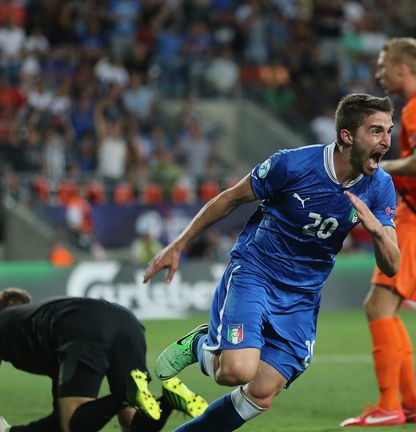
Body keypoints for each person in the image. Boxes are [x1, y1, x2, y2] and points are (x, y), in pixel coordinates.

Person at [142, 93, 401, 431]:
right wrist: (179, 243)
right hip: (256, 273)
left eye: (389, 131)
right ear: (347, 136)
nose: (387, 141)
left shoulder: (380, 187)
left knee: (261, 393)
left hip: (302, 296)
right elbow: (230, 198)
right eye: (377, 131)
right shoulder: (292, 165)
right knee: (235, 371)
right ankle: (201, 344)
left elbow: (393, 265)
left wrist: (378, 232)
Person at [341, 37, 416, 427]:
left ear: (401, 69)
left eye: (382, 65)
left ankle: (389, 405)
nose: (378, 72)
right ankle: (408, 405)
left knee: (378, 307)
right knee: (387, 310)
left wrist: (379, 168)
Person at [0, 288, 208, 432]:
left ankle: (124, 395)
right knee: (132, 424)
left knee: (73, 426)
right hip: (126, 321)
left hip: (84, 327)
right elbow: (57, 419)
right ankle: (169, 400)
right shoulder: (42, 323)